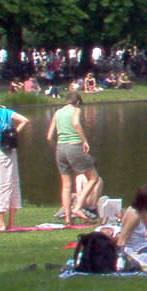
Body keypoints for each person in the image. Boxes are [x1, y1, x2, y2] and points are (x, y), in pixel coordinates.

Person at [45, 91, 101, 225]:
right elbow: (76, 123)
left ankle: (68, 219)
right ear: (77, 102)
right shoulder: (75, 110)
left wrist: (55, 148)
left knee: (66, 185)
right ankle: (78, 207)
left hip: (60, 148)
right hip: (74, 146)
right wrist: (85, 141)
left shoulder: (57, 112)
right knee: (94, 178)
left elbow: (48, 137)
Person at [0, 100, 29, 231]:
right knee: (13, 182)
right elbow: (25, 120)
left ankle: (0, 223)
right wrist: (14, 132)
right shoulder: (5, 112)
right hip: (10, 148)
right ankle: (11, 222)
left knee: (1, 184)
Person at [114, 185, 147, 254]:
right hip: (138, 251)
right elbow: (122, 240)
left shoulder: (143, 212)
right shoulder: (134, 216)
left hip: (145, 245)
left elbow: (142, 234)